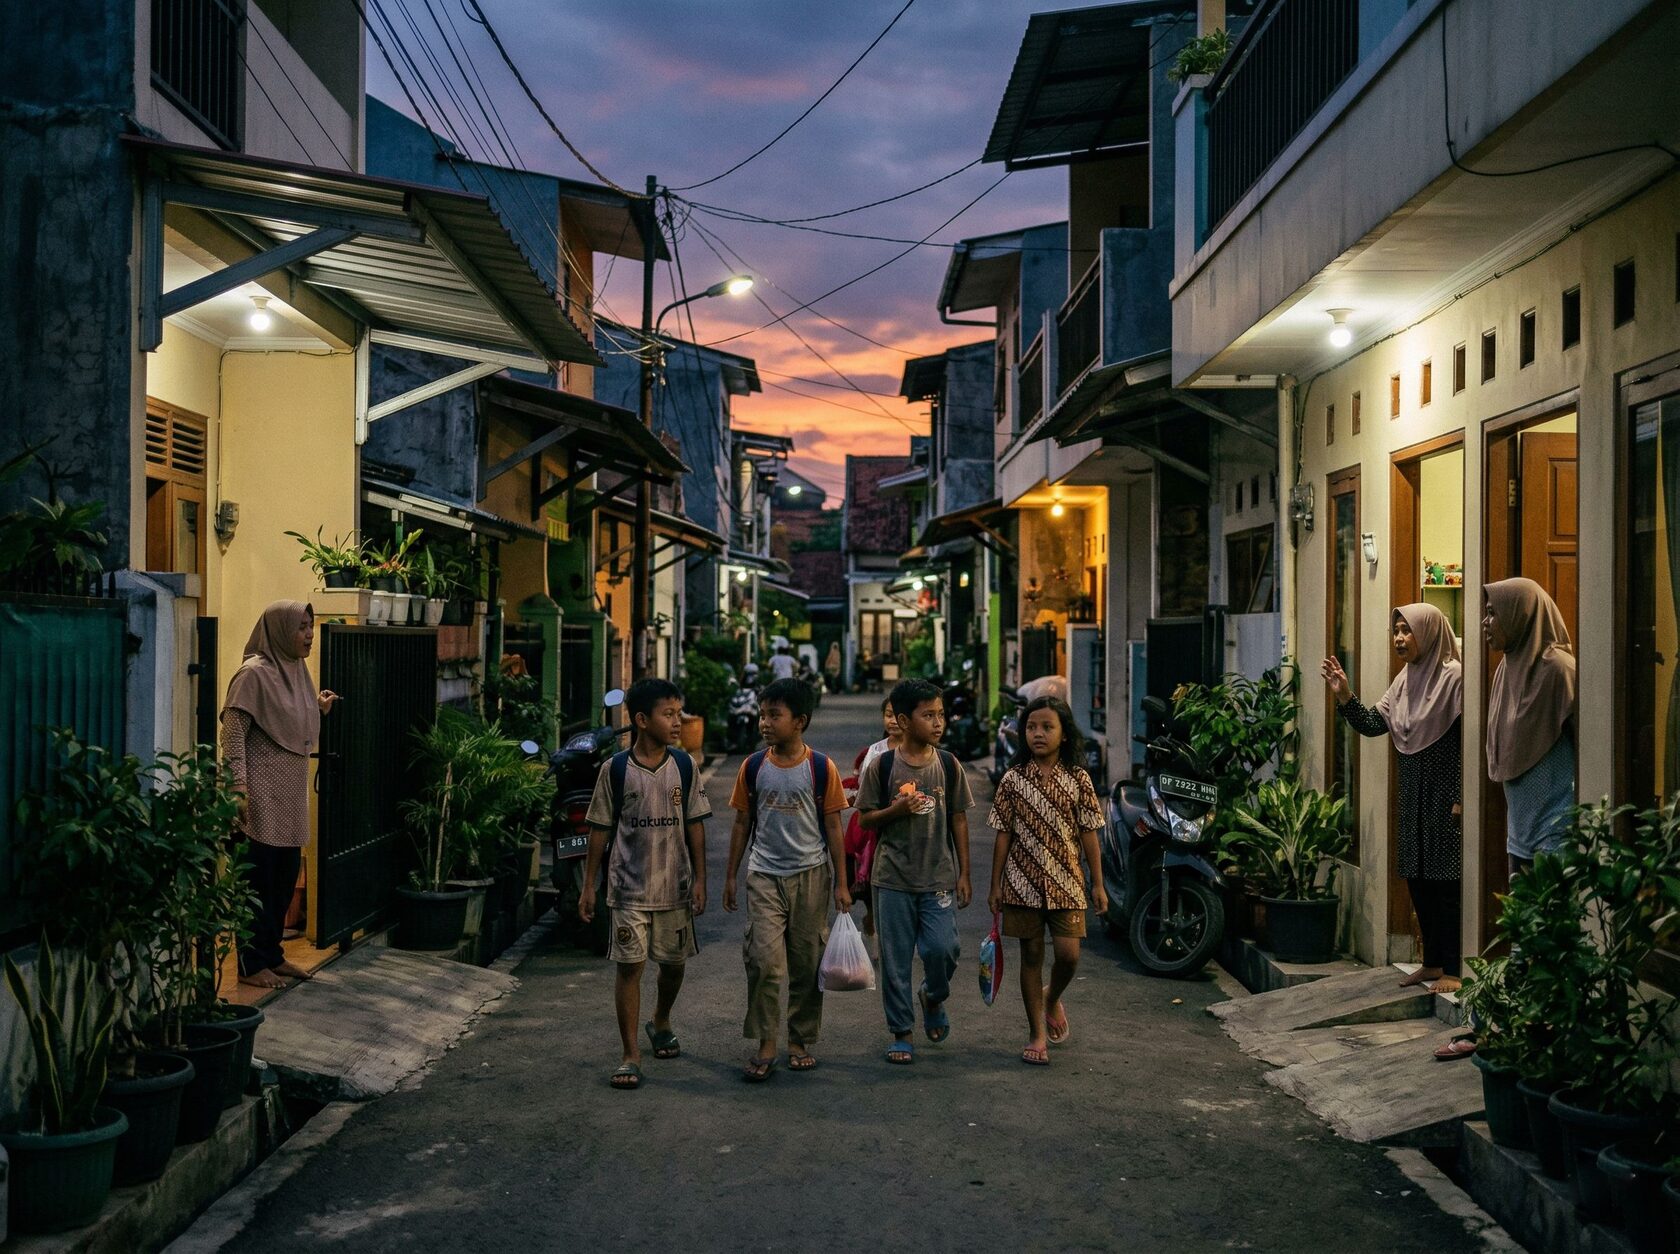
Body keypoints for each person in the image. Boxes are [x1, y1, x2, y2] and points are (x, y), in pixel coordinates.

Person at [1322, 604, 1464, 992]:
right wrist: (1345, 695)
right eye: (1396, 630)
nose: (1400, 638)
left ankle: (1454, 967)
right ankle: (1432, 962)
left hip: (1445, 794)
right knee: (1417, 878)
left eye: (1407, 630)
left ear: (1430, 632)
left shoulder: (1456, 679)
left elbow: (1471, 743)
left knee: (1447, 881)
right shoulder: (1404, 680)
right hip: (1413, 794)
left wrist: (1463, 798)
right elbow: (1372, 724)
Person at [581, 677, 710, 1091]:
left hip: (674, 886)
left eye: (679, 713)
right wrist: (589, 885)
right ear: (641, 719)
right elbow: (600, 829)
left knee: (673, 965)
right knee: (630, 966)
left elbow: (694, 825)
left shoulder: (684, 766)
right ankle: (630, 1053)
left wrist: (701, 880)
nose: (678, 722)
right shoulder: (615, 770)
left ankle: (662, 1020)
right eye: (668, 714)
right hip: (627, 887)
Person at [722, 678, 851, 1081]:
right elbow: (742, 822)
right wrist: (730, 875)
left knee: (807, 962)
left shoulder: (820, 767)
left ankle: (799, 1038)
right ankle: (766, 1041)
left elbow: (833, 827)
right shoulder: (754, 766)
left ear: (800, 721)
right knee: (764, 961)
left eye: (774, 715)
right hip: (764, 874)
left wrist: (842, 884)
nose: (764, 723)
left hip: (811, 875)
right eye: (762, 714)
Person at [221, 601, 340, 989]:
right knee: (258, 880)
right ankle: (251, 964)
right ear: (279, 630)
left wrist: (317, 709)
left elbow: (287, 721)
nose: (309, 635)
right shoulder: (253, 675)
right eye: (301, 627)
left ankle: (272, 955)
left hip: (289, 798)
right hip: (260, 794)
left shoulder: (296, 672)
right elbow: (233, 732)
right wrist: (238, 785)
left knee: (284, 878)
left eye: (311, 626)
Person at [857, 677, 973, 1065]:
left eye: (940, 715)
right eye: (929, 716)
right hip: (891, 878)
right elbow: (866, 820)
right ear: (904, 721)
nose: (938, 723)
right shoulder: (882, 765)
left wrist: (964, 873)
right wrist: (896, 810)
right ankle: (902, 1031)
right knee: (895, 959)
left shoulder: (949, 765)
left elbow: (958, 819)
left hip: (937, 876)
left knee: (944, 949)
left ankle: (933, 995)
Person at [985, 696, 1107, 1066]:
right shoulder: (1012, 779)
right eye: (1032, 727)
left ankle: (1051, 997)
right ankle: (1037, 1033)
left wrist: (1097, 884)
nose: (1038, 734)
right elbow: (1003, 833)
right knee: (1032, 955)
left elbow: (1089, 833)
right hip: (1021, 883)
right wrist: (996, 886)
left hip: (1068, 883)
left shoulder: (1079, 779)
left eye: (1047, 727)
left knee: (1068, 956)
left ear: (1064, 734)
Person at [1484, 578, 1577, 872]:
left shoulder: (1559, 670)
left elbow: (1588, 745)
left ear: (1518, 613)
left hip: (1558, 828)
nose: (1486, 622)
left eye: (1493, 613)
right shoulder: (1505, 670)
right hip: (1519, 827)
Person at [844, 698, 902, 938]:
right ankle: (872, 915)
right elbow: (864, 790)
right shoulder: (874, 752)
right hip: (875, 820)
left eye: (898, 715)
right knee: (866, 872)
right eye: (888, 714)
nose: (893, 720)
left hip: (903, 823)